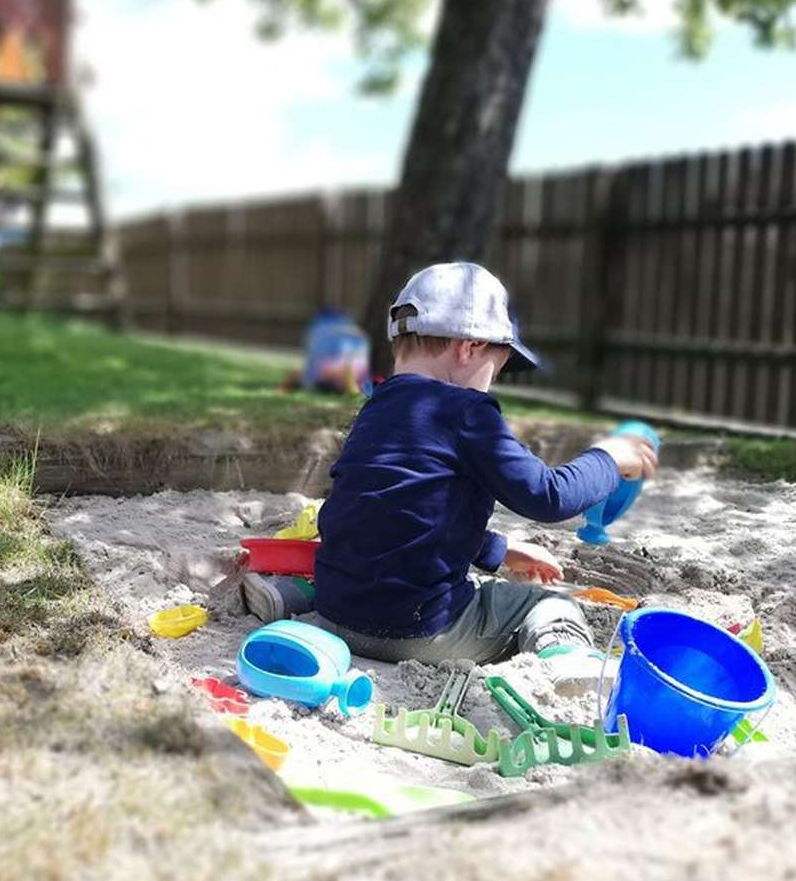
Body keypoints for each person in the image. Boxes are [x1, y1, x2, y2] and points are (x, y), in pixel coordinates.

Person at [241, 261, 657, 667]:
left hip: (338, 617)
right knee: (548, 604)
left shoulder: (377, 409)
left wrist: (499, 549)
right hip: (421, 633)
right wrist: (608, 458)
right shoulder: (467, 411)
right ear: (468, 348)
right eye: (498, 365)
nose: (494, 380)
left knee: (365, 569)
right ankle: (563, 660)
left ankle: (293, 597)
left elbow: (401, 513)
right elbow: (549, 496)